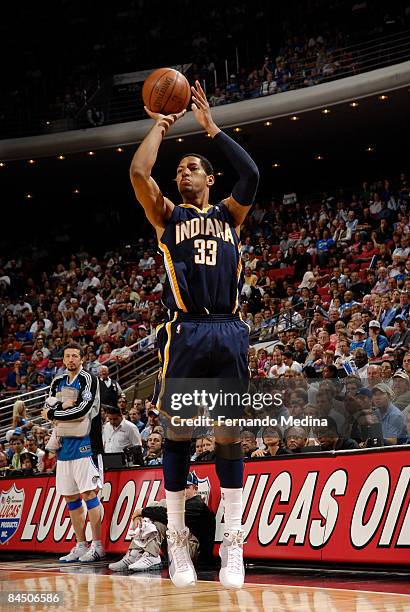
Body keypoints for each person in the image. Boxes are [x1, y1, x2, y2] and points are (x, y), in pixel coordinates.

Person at [129, 80, 259, 589]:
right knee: (179, 434)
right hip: (185, 331)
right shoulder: (167, 214)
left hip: (227, 330)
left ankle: (233, 543)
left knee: (228, 436)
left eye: (191, 166)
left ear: (208, 177)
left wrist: (211, 128)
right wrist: (160, 125)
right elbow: (140, 171)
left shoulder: (231, 214)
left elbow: (250, 172)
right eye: (179, 168)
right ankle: (179, 542)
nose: (183, 171)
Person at [41, 342, 104, 563]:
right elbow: (45, 410)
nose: (71, 360)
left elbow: (83, 411)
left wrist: (58, 412)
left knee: (89, 494)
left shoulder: (88, 379)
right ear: (63, 359)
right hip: (64, 447)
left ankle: (97, 545)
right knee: (71, 497)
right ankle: (80, 544)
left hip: (86, 444)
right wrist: (61, 409)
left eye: (75, 356)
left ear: (81, 359)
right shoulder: (57, 381)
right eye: (67, 356)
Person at [109, 472, 216, 572]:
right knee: (157, 508)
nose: (182, 491)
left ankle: (151, 556)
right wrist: (138, 516)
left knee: (163, 519)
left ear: (195, 489)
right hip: (178, 547)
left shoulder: (198, 505)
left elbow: (167, 514)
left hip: (193, 554)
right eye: (180, 488)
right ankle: (134, 554)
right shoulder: (178, 503)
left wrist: (141, 511)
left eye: (186, 487)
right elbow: (154, 508)